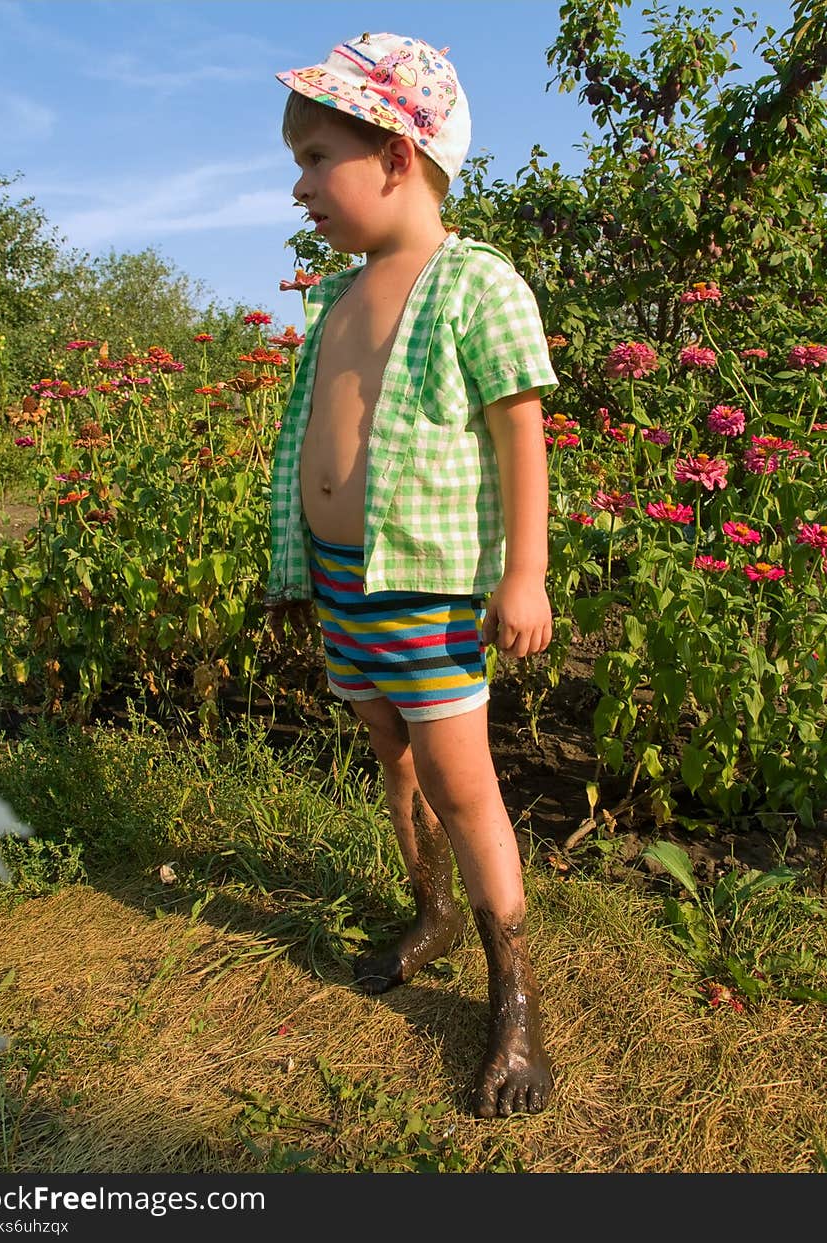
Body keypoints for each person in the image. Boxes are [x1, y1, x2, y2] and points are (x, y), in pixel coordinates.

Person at [265, 32, 558, 1117]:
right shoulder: (337, 301)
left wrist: (522, 574)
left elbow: (518, 427)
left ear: (395, 154)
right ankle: (427, 910)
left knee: (460, 779)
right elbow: (320, 434)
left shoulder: (471, 283)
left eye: (315, 156)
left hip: (428, 590)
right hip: (347, 584)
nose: (299, 185)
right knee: (389, 755)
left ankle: (512, 997)